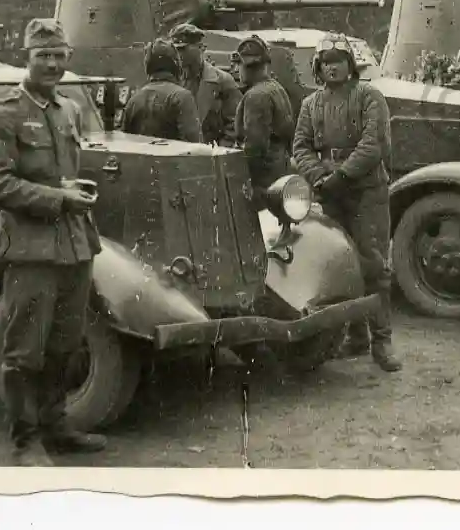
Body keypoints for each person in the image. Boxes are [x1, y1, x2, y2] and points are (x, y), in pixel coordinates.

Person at [0, 18, 106, 466]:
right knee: (24, 348)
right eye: (42, 56)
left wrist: (76, 191)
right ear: (26, 59)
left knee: (65, 343)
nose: (51, 64)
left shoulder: (67, 110)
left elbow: (63, 170)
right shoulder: (6, 112)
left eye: (58, 56)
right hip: (31, 248)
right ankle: (25, 441)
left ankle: (57, 427)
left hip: (74, 244)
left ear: (68, 58)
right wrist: (59, 198)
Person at [291, 34, 402, 372]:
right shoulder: (311, 104)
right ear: (318, 68)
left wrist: (341, 176)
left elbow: (373, 146)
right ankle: (356, 337)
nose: (332, 67)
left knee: (373, 265)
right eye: (325, 62)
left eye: (338, 60)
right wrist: (318, 177)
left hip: (365, 191)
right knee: (338, 263)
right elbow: (300, 146)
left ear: (351, 65)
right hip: (328, 192)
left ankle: (382, 341)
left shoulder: (369, 97)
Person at [233, 34, 296, 195]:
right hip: (280, 169)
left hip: (264, 180)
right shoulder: (276, 87)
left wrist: (243, 176)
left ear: (247, 66)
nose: (235, 70)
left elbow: (255, 146)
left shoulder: (256, 96)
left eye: (238, 64)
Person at [169, 23, 242, 146]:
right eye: (175, 49)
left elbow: (235, 123)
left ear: (201, 48)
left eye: (183, 49)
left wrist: (222, 148)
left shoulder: (223, 82)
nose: (178, 55)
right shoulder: (172, 81)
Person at [121, 38, 202, 142]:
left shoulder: (134, 100)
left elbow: (124, 144)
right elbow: (195, 147)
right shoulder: (182, 97)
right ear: (176, 65)